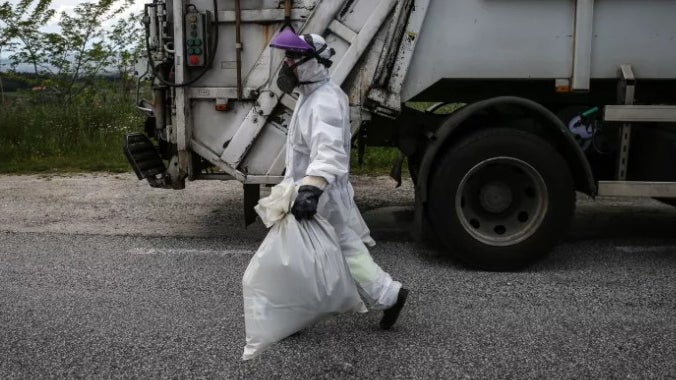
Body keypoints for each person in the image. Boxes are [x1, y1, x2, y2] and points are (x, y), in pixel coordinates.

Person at [269, 29, 408, 330]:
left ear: (312, 62)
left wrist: (310, 189)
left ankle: (292, 315)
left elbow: (329, 152)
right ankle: (389, 295)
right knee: (344, 248)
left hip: (320, 196)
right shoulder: (315, 95)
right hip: (320, 193)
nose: (287, 63)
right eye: (287, 56)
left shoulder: (322, 102)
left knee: (297, 255)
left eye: (293, 57)